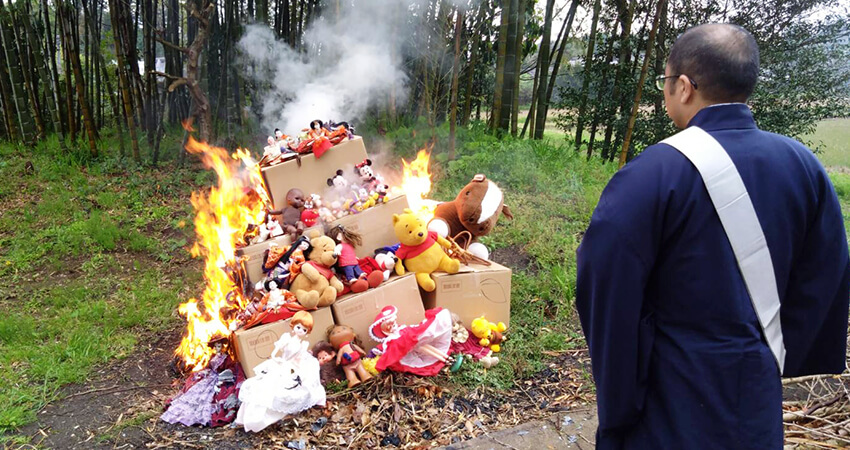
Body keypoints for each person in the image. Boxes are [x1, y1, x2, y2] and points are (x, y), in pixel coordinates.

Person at [576, 23, 850, 448]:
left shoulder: (651, 174)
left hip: (669, 407)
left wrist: (619, 402)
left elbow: (605, 293)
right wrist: (772, 352)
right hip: (757, 403)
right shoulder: (805, 167)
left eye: (665, 82)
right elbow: (824, 277)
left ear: (683, 87)